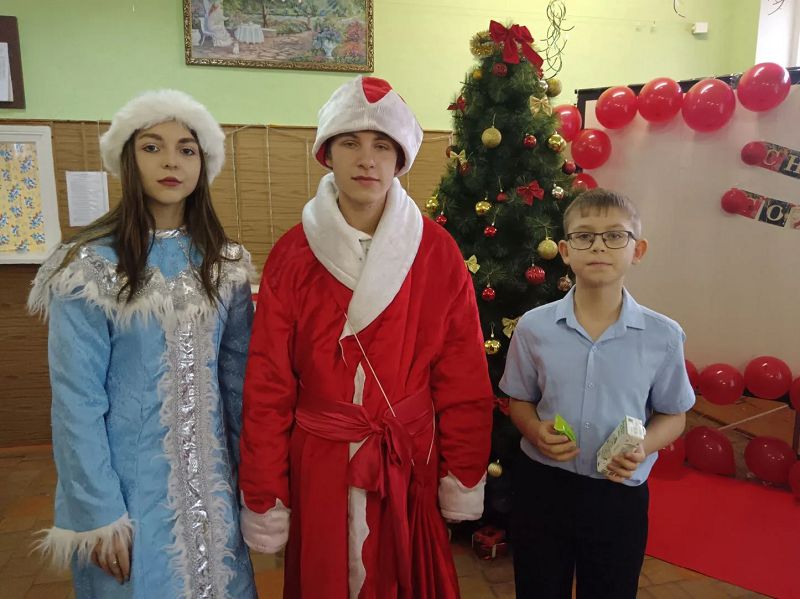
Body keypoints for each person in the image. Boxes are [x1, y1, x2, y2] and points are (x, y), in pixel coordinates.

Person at [238, 75, 494, 599]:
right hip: (321, 460)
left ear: (399, 159)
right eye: (350, 143)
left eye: (382, 146)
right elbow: (268, 383)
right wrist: (265, 491)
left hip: (406, 457)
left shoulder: (437, 253)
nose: (366, 159)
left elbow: (463, 375)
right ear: (327, 153)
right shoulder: (293, 254)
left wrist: (463, 472)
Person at [28, 90, 257, 599]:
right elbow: (76, 399)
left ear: (203, 162)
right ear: (128, 160)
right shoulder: (90, 266)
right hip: (128, 494)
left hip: (216, 491)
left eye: (186, 149)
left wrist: (256, 483)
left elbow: (239, 384)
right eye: (152, 147)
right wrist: (99, 512)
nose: (171, 161)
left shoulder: (225, 264)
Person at [500, 189, 695, 599]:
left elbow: (673, 414)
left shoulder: (662, 336)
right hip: (543, 487)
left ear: (637, 250)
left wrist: (644, 447)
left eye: (615, 236)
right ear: (566, 251)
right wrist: (534, 430)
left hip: (618, 492)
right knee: (538, 587)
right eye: (585, 236)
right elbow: (519, 400)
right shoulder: (534, 328)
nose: (599, 246)